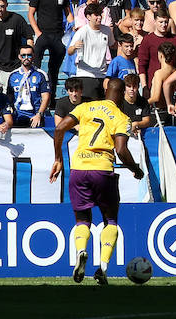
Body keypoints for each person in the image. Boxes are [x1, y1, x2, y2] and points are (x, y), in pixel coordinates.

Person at [49, 77, 146, 284]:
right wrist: (135, 169)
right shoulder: (122, 117)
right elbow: (121, 150)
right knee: (110, 220)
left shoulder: (86, 107)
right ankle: (102, 267)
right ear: (120, 95)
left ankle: (82, 250)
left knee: (82, 219)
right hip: (102, 170)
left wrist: (58, 159)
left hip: (79, 168)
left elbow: (59, 129)